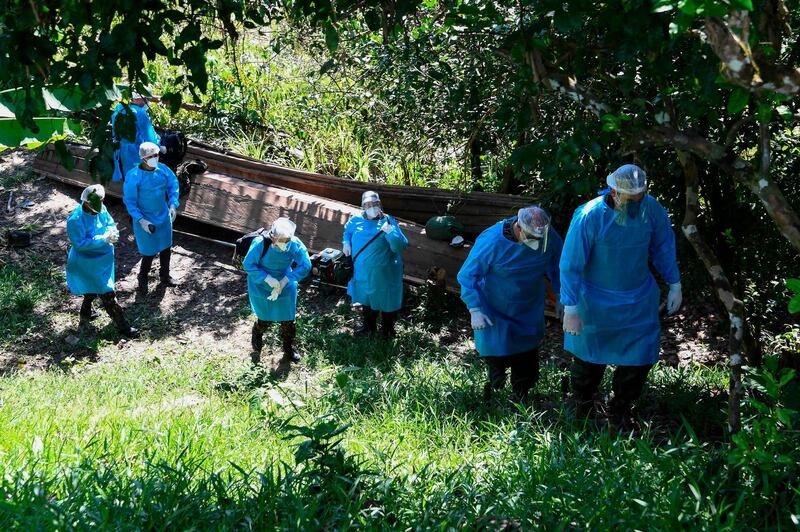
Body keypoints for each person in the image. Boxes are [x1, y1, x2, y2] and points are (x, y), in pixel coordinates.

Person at [560, 164, 682, 420]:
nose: (636, 205)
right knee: (588, 359)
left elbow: (663, 247)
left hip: (637, 299)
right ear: (614, 192)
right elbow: (571, 263)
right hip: (594, 301)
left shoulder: (652, 209)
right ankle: (583, 407)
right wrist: (570, 306)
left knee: (639, 357)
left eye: (640, 198)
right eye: (630, 200)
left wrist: (674, 283)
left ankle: (621, 409)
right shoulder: (589, 215)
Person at [457, 206, 563, 401]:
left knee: (527, 353)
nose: (538, 242)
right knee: (498, 351)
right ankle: (494, 389)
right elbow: (468, 275)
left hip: (528, 306)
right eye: (532, 237)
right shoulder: (492, 241)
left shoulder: (545, 232)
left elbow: (558, 264)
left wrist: (560, 295)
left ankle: (522, 394)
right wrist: (475, 308)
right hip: (496, 307)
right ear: (519, 228)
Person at [66, 185, 138, 337]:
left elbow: (110, 223)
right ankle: (123, 327)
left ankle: (84, 318)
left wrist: (113, 232)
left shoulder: (100, 209)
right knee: (107, 294)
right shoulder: (75, 220)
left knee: (90, 292)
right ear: (86, 202)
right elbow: (79, 244)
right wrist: (102, 239)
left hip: (102, 260)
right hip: (86, 263)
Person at [244, 217, 312, 365]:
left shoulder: (294, 244)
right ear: (272, 236)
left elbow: (305, 265)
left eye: (285, 240)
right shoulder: (261, 243)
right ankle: (257, 335)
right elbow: (248, 264)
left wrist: (287, 279)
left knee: (288, 320)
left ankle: (288, 348)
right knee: (265, 318)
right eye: (279, 239)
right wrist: (267, 278)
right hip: (261, 285)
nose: (282, 243)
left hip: (285, 285)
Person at [342, 191, 409, 338]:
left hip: (386, 273)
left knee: (387, 301)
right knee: (366, 299)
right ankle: (368, 327)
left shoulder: (388, 221)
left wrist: (390, 232)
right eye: (367, 204)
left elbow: (401, 246)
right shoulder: (355, 220)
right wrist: (346, 242)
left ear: (380, 204)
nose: (371, 207)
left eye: (375, 204)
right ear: (363, 206)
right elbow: (347, 231)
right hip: (363, 272)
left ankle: (388, 330)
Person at [122, 141, 181, 296]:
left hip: (163, 215)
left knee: (166, 248)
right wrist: (141, 220)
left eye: (156, 155)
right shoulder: (134, 176)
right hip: (145, 218)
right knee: (148, 252)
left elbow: (173, 184)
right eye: (151, 156)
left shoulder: (162, 170)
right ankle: (142, 277)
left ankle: (165, 275)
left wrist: (173, 204)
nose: (155, 158)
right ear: (143, 158)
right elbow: (130, 202)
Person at [111, 93, 164, 182]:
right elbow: (150, 139)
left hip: (117, 151)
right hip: (132, 153)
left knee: (123, 177)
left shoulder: (119, 108)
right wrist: (159, 145)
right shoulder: (140, 113)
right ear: (139, 98)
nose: (147, 102)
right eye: (146, 99)